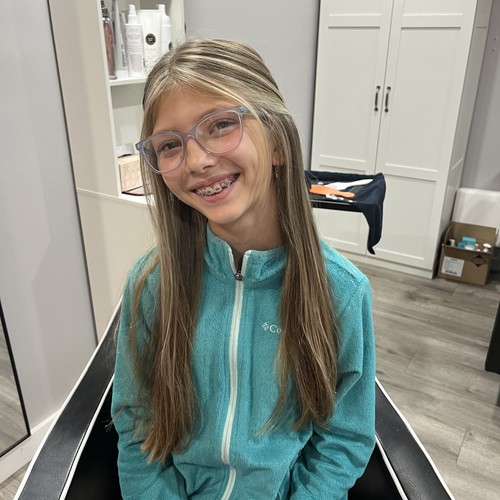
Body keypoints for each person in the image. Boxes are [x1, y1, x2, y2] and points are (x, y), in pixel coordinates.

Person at [111, 38, 376, 499]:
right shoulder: (151, 284)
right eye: (170, 145)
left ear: (276, 143)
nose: (197, 160)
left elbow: (344, 441)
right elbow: (136, 425)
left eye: (220, 125)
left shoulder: (342, 292)